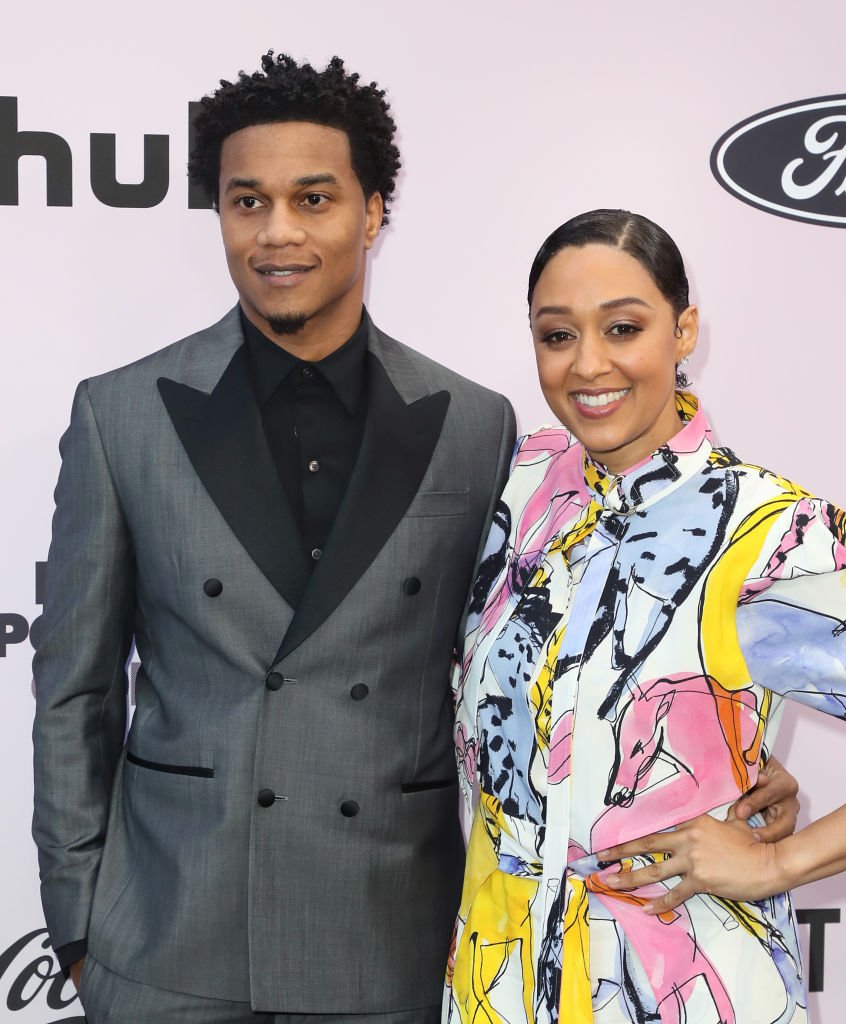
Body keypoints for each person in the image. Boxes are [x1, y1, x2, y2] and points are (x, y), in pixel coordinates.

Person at [30, 52, 517, 1023]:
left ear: (373, 212)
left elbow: (528, 666)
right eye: (247, 202)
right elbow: (74, 690)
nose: (278, 232)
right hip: (169, 943)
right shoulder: (123, 416)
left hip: (391, 946)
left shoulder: (475, 424)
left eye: (313, 198)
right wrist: (79, 924)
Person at [444, 209, 846, 1024]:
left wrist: (782, 865)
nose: (589, 365)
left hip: (686, 988)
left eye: (623, 327)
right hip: (497, 986)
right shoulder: (513, 489)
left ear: (683, 329)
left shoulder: (772, 528)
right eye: (557, 336)